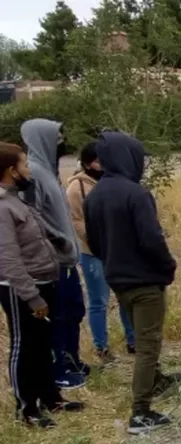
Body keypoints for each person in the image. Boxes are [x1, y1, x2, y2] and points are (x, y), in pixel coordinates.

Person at [84, 131, 181, 434]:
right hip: (144, 280)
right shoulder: (136, 194)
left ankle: (156, 379)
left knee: (142, 335)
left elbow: (94, 241)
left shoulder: (95, 194)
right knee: (148, 344)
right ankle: (140, 412)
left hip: (117, 278)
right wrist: (167, 266)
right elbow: (151, 239)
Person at [0, 142, 84, 427]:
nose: (29, 171)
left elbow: (39, 227)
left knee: (44, 343)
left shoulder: (17, 199)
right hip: (21, 289)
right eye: (24, 166)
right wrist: (32, 297)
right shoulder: (2, 207)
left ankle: (51, 398)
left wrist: (60, 242)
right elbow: (8, 260)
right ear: (11, 171)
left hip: (45, 280)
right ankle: (27, 410)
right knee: (26, 346)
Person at [20, 118, 88, 390]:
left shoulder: (49, 170)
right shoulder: (34, 174)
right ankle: (57, 370)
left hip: (68, 261)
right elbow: (31, 216)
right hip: (53, 262)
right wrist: (58, 240)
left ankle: (72, 361)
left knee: (74, 312)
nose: (62, 142)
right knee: (57, 318)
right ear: (43, 139)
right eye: (58, 138)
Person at [67, 141, 136, 362]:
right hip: (93, 253)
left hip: (118, 249)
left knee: (126, 297)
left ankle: (133, 340)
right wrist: (96, 240)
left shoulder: (115, 180)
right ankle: (101, 347)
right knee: (99, 301)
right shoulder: (76, 188)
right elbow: (76, 221)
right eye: (97, 161)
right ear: (88, 163)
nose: (102, 164)